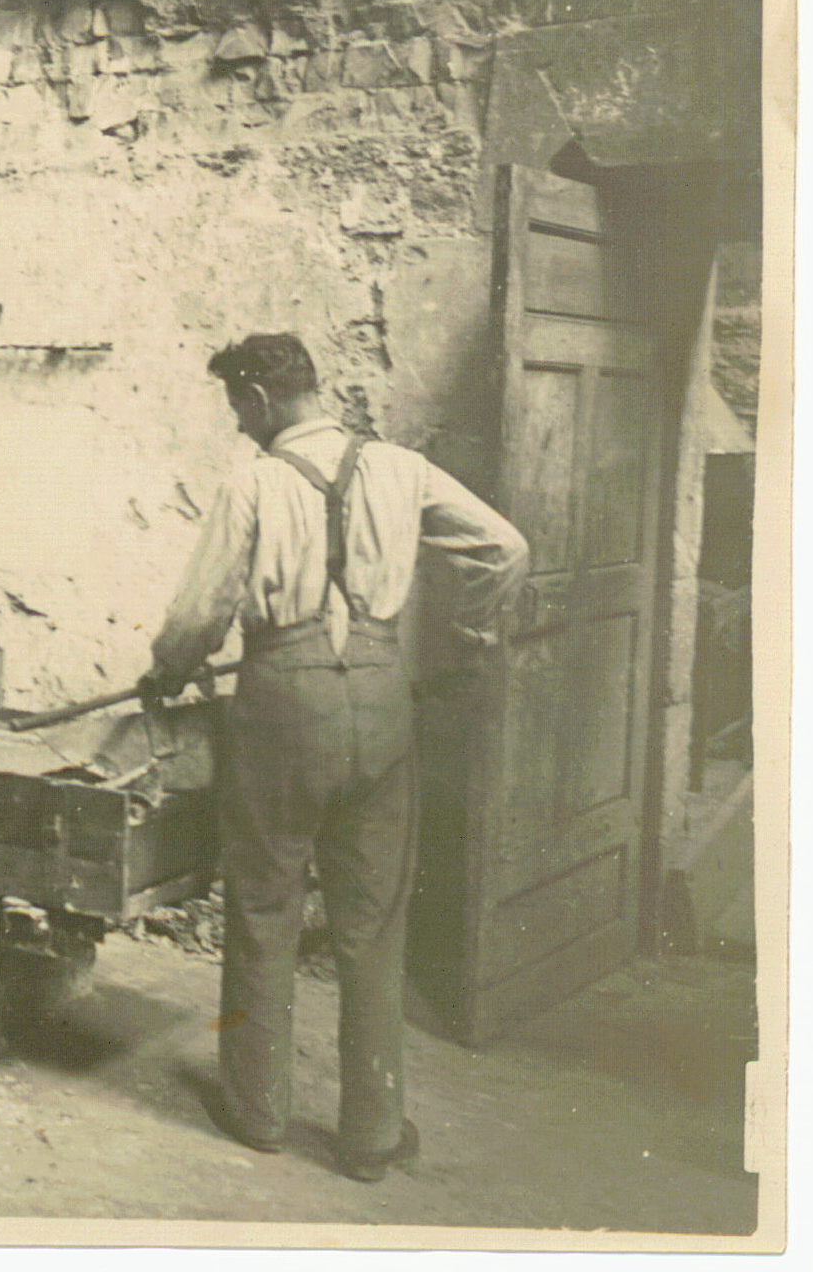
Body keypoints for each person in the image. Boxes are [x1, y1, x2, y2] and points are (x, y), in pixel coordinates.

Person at [144, 333, 528, 1181]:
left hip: (284, 704)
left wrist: (167, 670)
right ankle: (372, 1133)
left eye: (238, 409)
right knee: (373, 923)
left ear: (259, 396)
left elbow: (197, 614)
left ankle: (257, 1111)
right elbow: (505, 548)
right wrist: (467, 642)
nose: (240, 428)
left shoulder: (252, 483)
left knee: (264, 905)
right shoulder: (399, 467)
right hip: (385, 704)